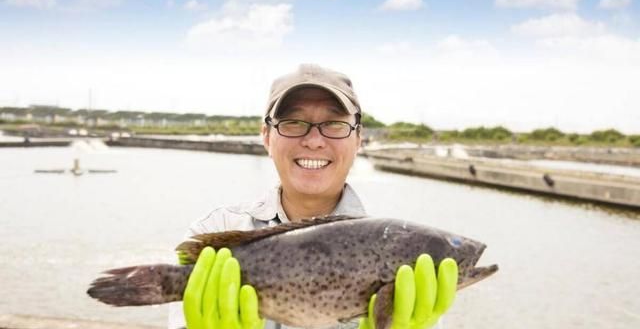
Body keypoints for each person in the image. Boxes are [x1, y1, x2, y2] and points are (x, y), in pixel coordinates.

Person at [168, 64, 458, 329]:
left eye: (334, 124)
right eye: (293, 122)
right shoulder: (215, 230)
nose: (314, 141)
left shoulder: (406, 250)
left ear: (358, 139)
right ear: (266, 136)